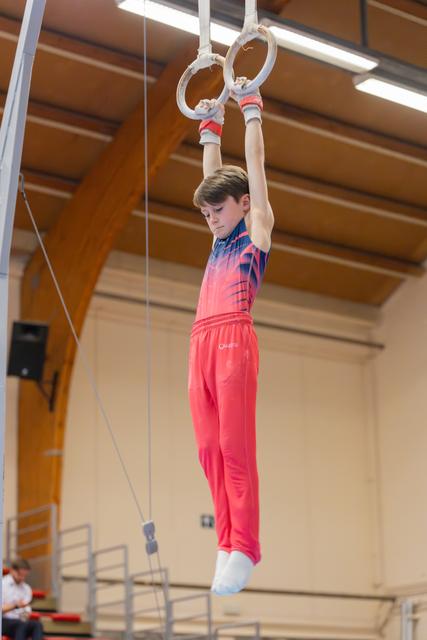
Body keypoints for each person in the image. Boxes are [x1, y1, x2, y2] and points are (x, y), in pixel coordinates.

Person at [188, 78, 274, 596]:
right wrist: (208, 128)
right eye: (205, 213)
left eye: (218, 210)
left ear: (243, 204)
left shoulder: (255, 226)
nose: (212, 220)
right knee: (207, 450)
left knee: (233, 447)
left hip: (233, 339)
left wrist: (249, 108)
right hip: (198, 341)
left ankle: (245, 545)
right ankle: (224, 541)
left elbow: (255, 168)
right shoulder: (218, 234)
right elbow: (212, 178)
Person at [2, 559, 43, 640]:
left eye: (25, 575)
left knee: (37, 625)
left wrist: (26, 614)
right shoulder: (2, 584)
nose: (22, 578)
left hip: (19, 622)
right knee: (21, 624)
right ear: (12, 571)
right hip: (3, 621)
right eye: (20, 575)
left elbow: (26, 611)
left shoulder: (26, 588)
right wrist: (15, 606)